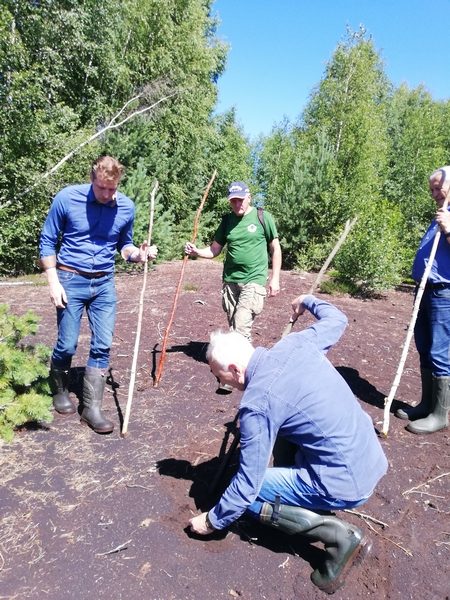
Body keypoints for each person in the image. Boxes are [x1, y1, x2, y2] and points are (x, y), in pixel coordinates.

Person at [188, 294, 388, 594]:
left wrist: (213, 520)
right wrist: (308, 300)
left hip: (346, 481)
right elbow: (337, 320)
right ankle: (300, 499)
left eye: (220, 377)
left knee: (248, 498)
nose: (222, 383)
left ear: (234, 369)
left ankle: (340, 538)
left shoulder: (257, 404)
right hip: (368, 459)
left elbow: (247, 485)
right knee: (283, 434)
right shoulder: (295, 344)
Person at [39, 155, 158, 434]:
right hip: (70, 278)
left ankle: (91, 409)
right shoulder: (67, 198)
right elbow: (47, 240)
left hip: (104, 283)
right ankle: (59, 389)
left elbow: (124, 246)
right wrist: (53, 282)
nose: (107, 194)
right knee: (67, 344)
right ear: (92, 178)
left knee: (102, 344)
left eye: (112, 189)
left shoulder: (126, 207)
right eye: (102, 188)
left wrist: (139, 255)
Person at [184, 181, 282, 341]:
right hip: (230, 281)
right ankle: (242, 362)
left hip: (254, 279)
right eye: (233, 200)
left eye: (241, 200)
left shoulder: (262, 217)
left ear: (249, 197)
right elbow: (214, 249)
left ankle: (242, 365)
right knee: (235, 328)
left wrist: (275, 279)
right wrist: (196, 251)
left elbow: (275, 248)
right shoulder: (227, 221)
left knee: (240, 327)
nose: (237, 204)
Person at [395, 166, 450, 434]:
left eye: (438, 188)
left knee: (440, 350)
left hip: (444, 293)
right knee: (425, 346)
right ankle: (427, 404)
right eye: (431, 189)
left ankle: (440, 415)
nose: (434, 194)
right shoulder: (440, 214)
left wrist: (449, 230)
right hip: (425, 290)